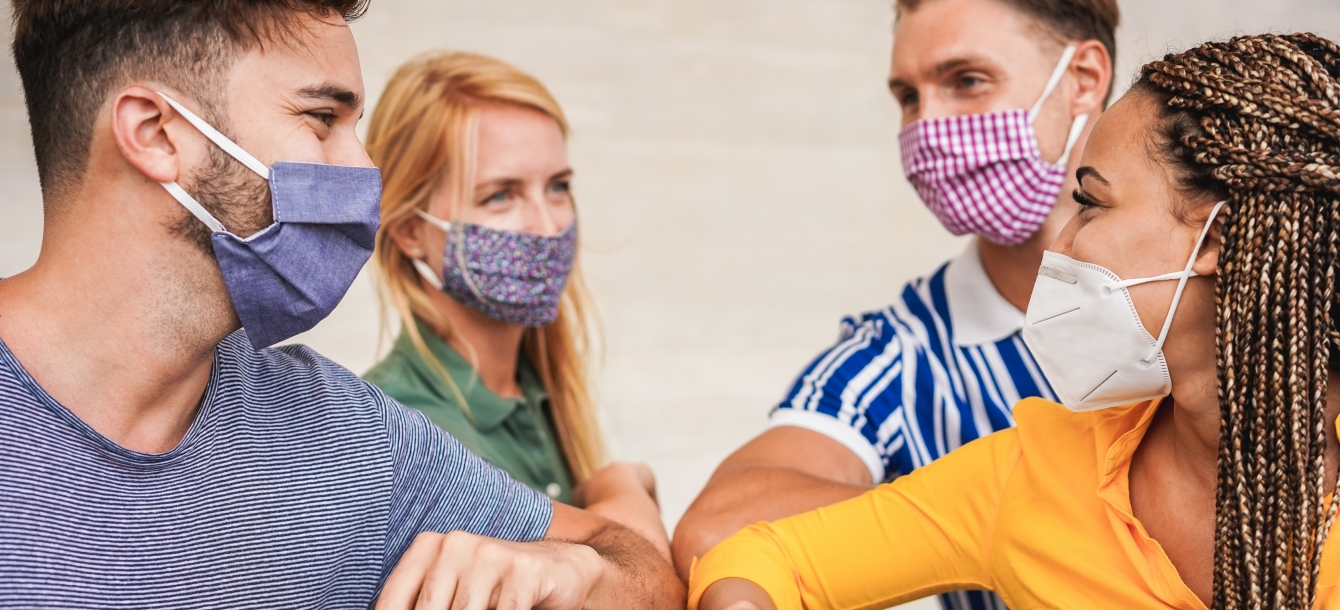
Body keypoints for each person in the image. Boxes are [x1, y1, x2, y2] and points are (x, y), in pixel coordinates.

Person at [0, 1, 683, 608]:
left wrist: (574, 577)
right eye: (322, 118)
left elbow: (639, 566)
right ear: (155, 133)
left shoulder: (354, 437)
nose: (365, 174)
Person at [689, 32, 1340, 610]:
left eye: (1090, 203)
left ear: (1216, 240)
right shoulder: (1035, 474)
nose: (1060, 244)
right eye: (907, 98)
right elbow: (754, 555)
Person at [674, 0, 1117, 607]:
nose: (926, 128)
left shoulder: (1221, 289)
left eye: (967, 81)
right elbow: (717, 527)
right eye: (908, 98)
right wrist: (986, 514)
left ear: (1084, 79)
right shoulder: (906, 353)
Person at [361, 51, 668, 558]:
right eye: (500, 196)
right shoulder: (403, 430)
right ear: (411, 232)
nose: (548, 227)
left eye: (558, 187)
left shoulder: (539, 390)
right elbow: (632, 574)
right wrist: (619, 485)